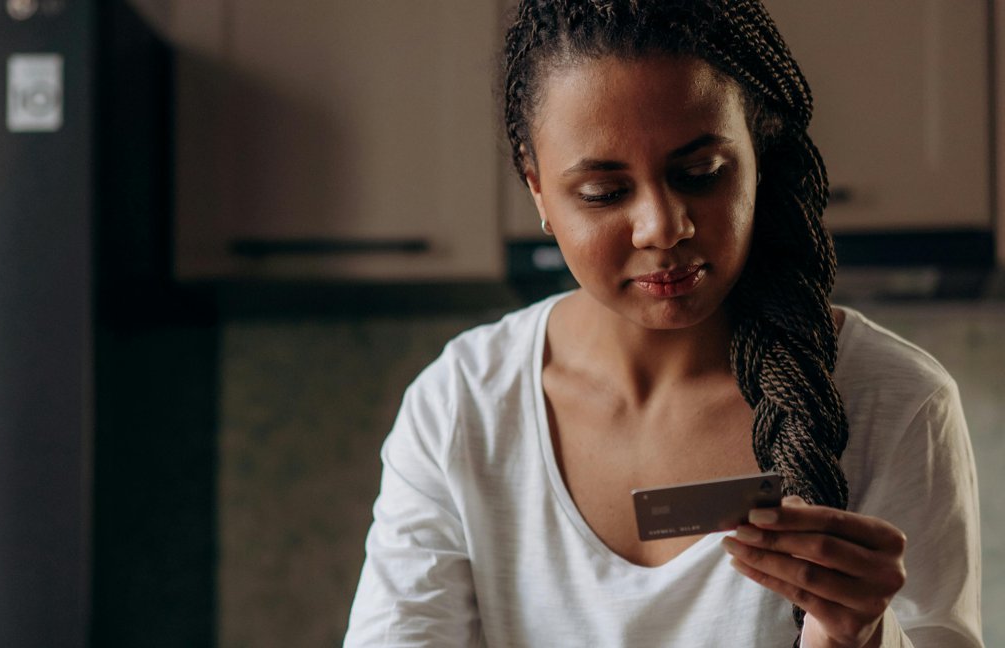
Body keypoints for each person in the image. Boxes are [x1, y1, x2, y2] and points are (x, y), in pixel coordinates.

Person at [343, 1, 982, 646]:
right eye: (604, 193)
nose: (662, 227)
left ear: (758, 156)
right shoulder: (461, 404)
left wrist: (857, 638)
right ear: (537, 188)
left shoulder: (899, 403)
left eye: (701, 175)